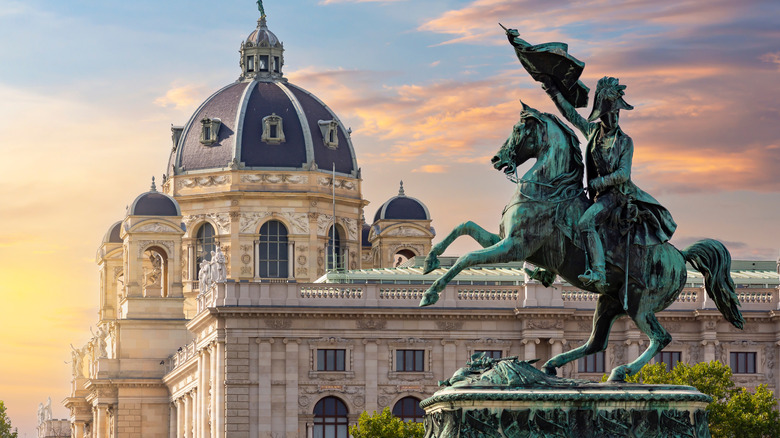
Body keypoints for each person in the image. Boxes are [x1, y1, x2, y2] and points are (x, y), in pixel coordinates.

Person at [541, 76, 676, 291]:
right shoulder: (593, 132)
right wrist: (552, 90)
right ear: (601, 113)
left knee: (585, 222)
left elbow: (623, 174)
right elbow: (571, 115)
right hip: (597, 195)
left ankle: (599, 272)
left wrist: (599, 183)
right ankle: (549, 268)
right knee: (562, 214)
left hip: (617, 196)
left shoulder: (625, 141)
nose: (614, 118)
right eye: (610, 113)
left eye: (616, 113)